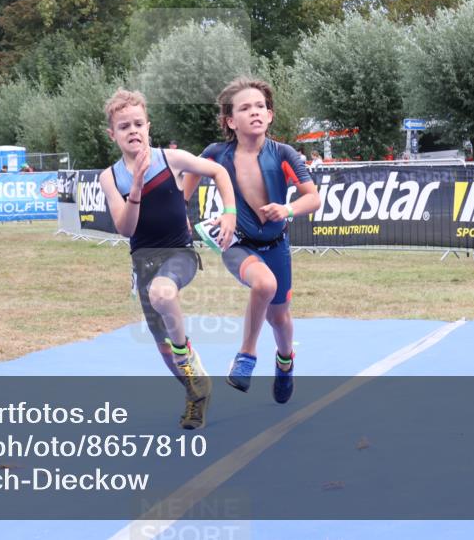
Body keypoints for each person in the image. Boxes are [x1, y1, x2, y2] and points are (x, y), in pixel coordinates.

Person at [100, 89, 238, 430]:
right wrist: (135, 186)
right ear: (112, 134)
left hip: (180, 254)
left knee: (162, 295)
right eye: (124, 127)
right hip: (143, 262)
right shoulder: (110, 177)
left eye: (138, 124)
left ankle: (184, 351)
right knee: (164, 347)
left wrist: (229, 213)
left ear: (148, 126)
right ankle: (196, 391)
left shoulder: (171, 159)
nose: (133, 131)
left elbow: (219, 172)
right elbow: (126, 228)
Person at [183, 78, 321, 405]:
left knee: (279, 318)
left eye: (260, 106)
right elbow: (182, 188)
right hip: (237, 244)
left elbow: (313, 198)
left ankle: (285, 362)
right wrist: (182, 221)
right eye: (245, 108)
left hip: (276, 246)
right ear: (231, 121)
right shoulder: (215, 154)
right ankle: (246, 355)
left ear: (270, 115)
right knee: (264, 284)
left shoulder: (284, 153)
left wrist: (287, 209)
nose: (255, 112)